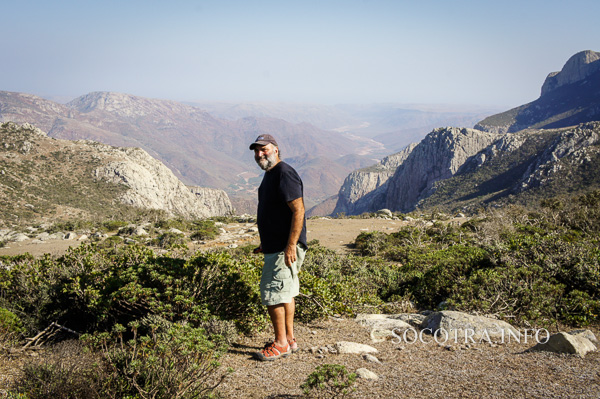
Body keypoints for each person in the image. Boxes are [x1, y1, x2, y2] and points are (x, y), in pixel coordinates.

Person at [249, 134, 308, 361]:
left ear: (275, 149)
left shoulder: (284, 173)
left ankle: (281, 343)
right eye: (256, 151)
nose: (259, 154)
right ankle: (290, 340)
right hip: (277, 247)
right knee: (286, 293)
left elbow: (298, 210)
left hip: (284, 249)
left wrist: (290, 245)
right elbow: (275, 213)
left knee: (273, 294)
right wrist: (266, 244)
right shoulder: (271, 174)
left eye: (264, 149)